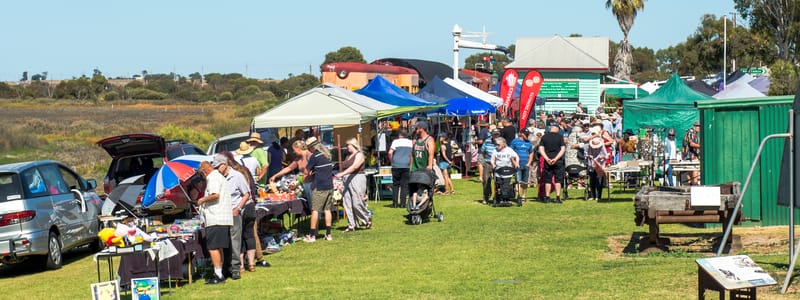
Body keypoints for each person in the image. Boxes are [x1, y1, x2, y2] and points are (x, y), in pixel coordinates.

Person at [213, 154, 250, 280]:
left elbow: (246, 194)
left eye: (218, 166)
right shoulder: (218, 178)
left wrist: (238, 209)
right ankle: (225, 268)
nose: (217, 169)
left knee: (235, 241)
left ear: (225, 164)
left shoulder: (237, 176)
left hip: (234, 212)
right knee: (224, 242)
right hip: (222, 213)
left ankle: (235, 269)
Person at [196, 159, 233, 285]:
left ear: (205, 171)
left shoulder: (213, 178)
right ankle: (219, 272)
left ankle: (218, 275)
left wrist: (202, 199)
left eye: (202, 174)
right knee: (218, 248)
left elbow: (215, 194)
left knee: (212, 248)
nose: (202, 177)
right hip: (222, 217)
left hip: (216, 217)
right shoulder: (219, 176)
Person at [335, 138, 372, 231]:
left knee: (357, 202)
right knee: (347, 202)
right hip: (346, 180)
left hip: (357, 179)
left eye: (348, 145)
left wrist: (342, 174)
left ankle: (367, 218)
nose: (347, 147)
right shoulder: (348, 156)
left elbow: (354, 167)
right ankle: (352, 225)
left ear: (354, 145)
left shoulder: (359, 155)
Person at [303, 137, 334, 242]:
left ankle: (312, 236)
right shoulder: (327, 154)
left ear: (312, 147)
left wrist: (308, 174)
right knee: (327, 210)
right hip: (329, 185)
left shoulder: (315, 156)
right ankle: (328, 234)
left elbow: (306, 171)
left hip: (319, 187)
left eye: (308, 148)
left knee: (315, 210)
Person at [410, 121, 436, 208]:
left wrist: (429, 166)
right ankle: (414, 205)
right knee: (414, 191)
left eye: (417, 128)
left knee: (426, 190)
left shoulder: (429, 140)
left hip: (424, 170)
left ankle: (424, 206)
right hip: (415, 170)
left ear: (422, 129)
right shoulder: (415, 141)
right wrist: (410, 167)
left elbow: (431, 154)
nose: (416, 130)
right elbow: (412, 155)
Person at [538, 125, 566, 204]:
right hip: (558, 161)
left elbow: (541, 149)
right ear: (556, 129)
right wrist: (556, 158)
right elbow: (563, 149)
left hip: (548, 161)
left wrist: (547, 158)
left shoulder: (544, 137)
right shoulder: (560, 137)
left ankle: (547, 197)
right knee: (558, 179)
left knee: (548, 179)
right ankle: (557, 197)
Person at [388, 129, 412, 208]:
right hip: (406, 165)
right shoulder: (410, 142)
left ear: (399, 135)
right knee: (404, 185)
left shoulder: (395, 142)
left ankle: (395, 203)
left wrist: (392, 160)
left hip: (396, 165)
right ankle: (402, 203)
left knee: (395, 185)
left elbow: (390, 153)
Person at [511, 129, 533, 200]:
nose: (527, 135)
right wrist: (514, 162)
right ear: (521, 134)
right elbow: (510, 152)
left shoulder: (529, 143)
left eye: (527, 134)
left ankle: (524, 195)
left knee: (525, 182)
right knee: (518, 180)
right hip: (518, 164)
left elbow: (531, 153)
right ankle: (518, 195)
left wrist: (529, 163)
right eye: (525, 134)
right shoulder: (515, 141)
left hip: (526, 164)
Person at [480, 129, 500, 205]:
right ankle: (486, 196)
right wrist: (484, 162)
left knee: (498, 180)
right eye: (494, 134)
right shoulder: (487, 141)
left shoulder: (501, 142)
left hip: (498, 163)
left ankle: (498, 196)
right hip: (488, 163)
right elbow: (482, 151)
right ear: (491, 135)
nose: (496, 136)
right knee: (485, 180)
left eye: (497, 134)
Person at [683, 121, 702, 185]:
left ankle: (689, 188)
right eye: (699, 126)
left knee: (690, 173)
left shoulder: (693, 133)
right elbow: (691, 144)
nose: (700, 128)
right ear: (695, 126)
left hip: (688, 156)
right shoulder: (691, 132)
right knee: (695, 171)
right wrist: (701, 146)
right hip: (690, 156)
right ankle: (695, 186)